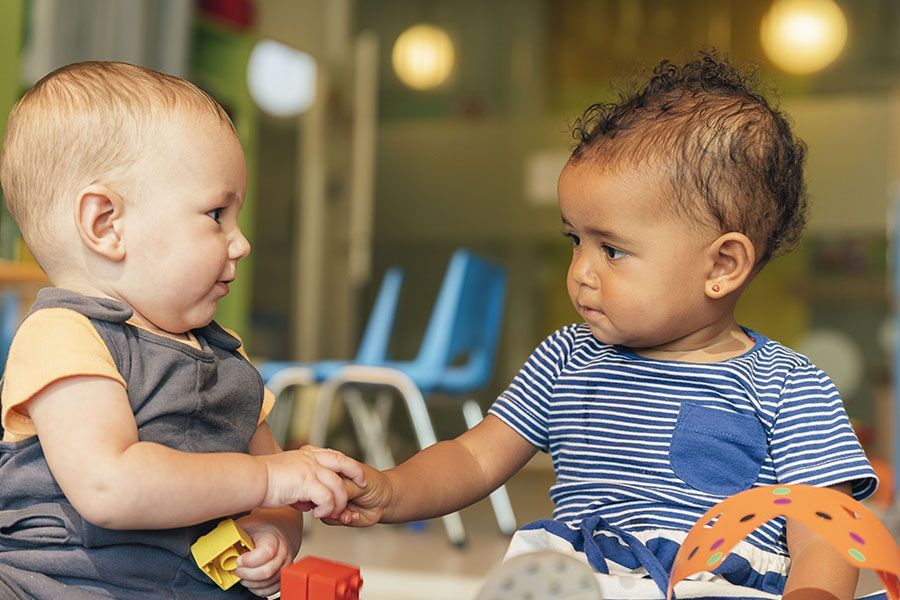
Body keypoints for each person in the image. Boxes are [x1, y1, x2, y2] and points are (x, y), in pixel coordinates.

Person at [335, 53, 878, 599]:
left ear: (721, 267)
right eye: (576, 240)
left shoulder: (788, 384)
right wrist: (393, 490)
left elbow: (824, 523)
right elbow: (474, 457)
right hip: (578, 578)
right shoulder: (566, 357)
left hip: (712, 584)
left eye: (612, 250)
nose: (581, 273)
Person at [0, 61, 365, 599]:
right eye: (217, 214)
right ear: (107, 225)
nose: (240, 242)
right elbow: (111, 486)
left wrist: (275, 528)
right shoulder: (65, 336)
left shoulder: (226, 356)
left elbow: (276, 488)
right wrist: (269, 480)